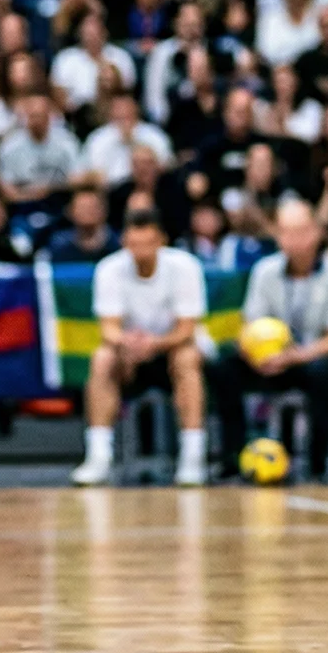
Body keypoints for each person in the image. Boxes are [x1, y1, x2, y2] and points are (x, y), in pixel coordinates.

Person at [209, 197, 328, 483]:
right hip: (273, 360)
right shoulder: (265, 271)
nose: (294, 240)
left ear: (316, 232)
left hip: (318, 358)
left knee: (325, 372)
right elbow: (250, 326)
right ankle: (235, 458)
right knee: (223, 365)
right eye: (286, 232)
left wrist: (294, 356)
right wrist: (256, 353)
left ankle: (317, 463)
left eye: (301, 231)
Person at [72, 205, 212, 488]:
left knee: (187, 358)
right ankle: (99, 456)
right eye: (134, 244)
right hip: (130, 355)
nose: (141, 252)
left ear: (161, 240)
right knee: (102, 358)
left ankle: (192, 457)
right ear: (125, 241)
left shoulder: (186, 267)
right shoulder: (109, 269)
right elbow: (108, 327)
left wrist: (155, 344)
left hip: (172, 348)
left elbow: (187, 328)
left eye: (148, 244)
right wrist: (127, 343)